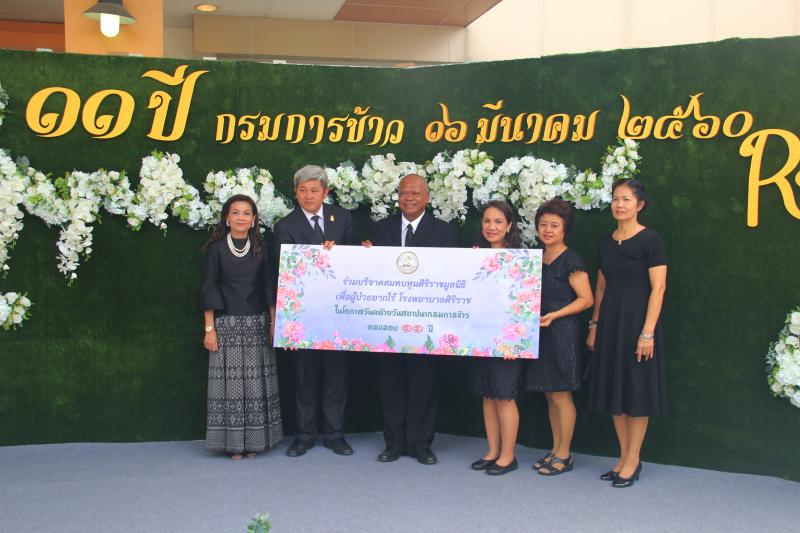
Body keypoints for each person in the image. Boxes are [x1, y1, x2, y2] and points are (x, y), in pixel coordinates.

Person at [364, 173, 459, 465]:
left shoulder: (445, 232)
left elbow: (452, 276)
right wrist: (363, 256)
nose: (409, 198)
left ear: (427, 198)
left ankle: (421, 444)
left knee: (423, 385)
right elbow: (367, 272)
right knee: (390, 384)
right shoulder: (379, 230)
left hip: (427, 325)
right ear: (397, 197)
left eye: (415, 193)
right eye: (404, 193)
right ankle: (393, 443)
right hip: (388, 323)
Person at [586, 178, 668, 488]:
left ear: (640, 204)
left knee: (637, 391)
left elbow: (659, 288)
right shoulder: (606, 241)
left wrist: (647, 333)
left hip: (638, 325)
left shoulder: (651, 240)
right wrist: (594, 325)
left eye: (626, 199)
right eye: (616, 198)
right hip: (610, 324)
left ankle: (634, 459)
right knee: (615, 390)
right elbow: (601, 286)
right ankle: (623, 457)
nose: (619, 204)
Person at [273, 164, 359, 457]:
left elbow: (355, 262)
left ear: (325, 192)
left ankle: (335, 434)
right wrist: (318, 256)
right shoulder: (285, 226)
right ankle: (304, 435)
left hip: (338, 313)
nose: (308, 195)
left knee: (337, 376)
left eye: (314, 190)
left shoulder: (342, 218)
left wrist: (343, 253)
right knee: (305, 377)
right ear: (295, 193)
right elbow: (283, 271)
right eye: (303, 190)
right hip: (303, 315)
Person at [201, 194, 283, 459]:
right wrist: (209, 329)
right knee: (230, 390)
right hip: (227, 327)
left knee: (256, 386)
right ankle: (233, 444)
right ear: (227, 218)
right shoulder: (216, 249)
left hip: (257, 324)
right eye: (235, 212)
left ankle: (255, 443)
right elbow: (209, 288)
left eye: (246, 213)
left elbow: (268, 286)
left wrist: (273, 323)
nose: (241, 218)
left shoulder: (261, 248)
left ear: (254, 219)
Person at [524, 198, 593, 475]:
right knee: (550, 394)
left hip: (563, 333)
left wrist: (555, 315)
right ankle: (555, 449)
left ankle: (564, 454)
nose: (548, 230)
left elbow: (586, 299)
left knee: (562, 395)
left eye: (554, 225)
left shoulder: (572, 260)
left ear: (565, 229)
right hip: (540, 333)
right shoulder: (534, 258)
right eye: (543, 225)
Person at [468, 200, 525, 475]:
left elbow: (524, 302)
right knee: (488, 396)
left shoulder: (520, 259)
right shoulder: (474, 256)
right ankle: (492, 451)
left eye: (498, 221)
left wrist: (515, 340)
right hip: (481, 338)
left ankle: (508, 455)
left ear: (509, 225)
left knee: (504, 396)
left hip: (508, 341)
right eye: (487, 221)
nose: (491, 227)